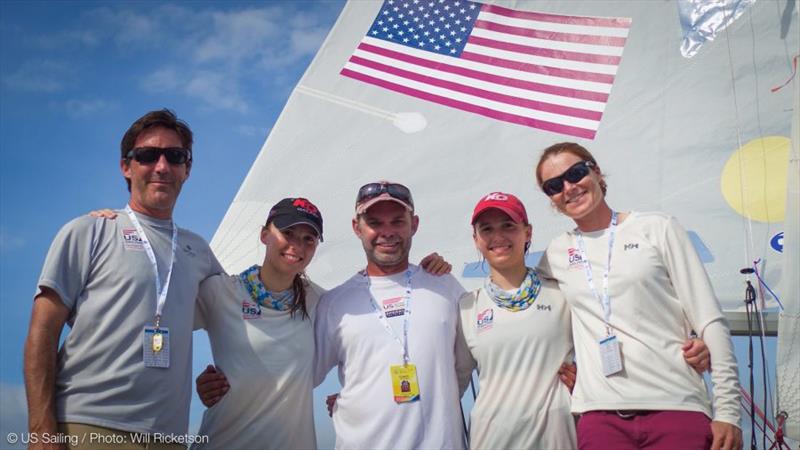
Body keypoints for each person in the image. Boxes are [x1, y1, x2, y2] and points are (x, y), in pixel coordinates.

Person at [24, 109, 223, 449]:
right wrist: (42, 429)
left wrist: (222, 380)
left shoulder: (199, 251)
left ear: (187, 169)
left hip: (169, 438)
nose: (162, 166)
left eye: (175, 156)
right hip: (87, 428)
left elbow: (248, 310)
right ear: (126, 167)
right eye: (147, 155)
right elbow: (42, 332)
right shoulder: (89, 230)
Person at [455, 192, 713, 450]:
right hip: (491, 439)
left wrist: (693, 342)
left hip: (558, 437)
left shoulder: (564, 291)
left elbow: (628, 317)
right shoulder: (466, 307)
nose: (498, 236)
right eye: (486, 229)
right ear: (476, 240)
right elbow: (452, 383)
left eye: (508, 226)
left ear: (528, 232)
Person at [190, 196, 451, 450]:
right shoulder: (219, 292)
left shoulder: (322, 303)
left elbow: (374, 348)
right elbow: (165, 328)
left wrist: (354, 403)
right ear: (264, 234)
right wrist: (198, 382)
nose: (297, 246)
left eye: (308, 239)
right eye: (288, 233)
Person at [535, 142, 742, 450]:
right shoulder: (555, 254)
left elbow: (709, 319)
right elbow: (523, 307)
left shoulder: (658, 228)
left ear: (595, 171)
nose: (569, 187)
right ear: (552, 199)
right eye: (554, 185)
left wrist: (728, 411)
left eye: (576, 173)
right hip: (600, 416)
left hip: (677, 406)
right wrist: (437, 270)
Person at [312, 181, 468, 449]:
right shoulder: (334, 303)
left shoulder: (445, 285)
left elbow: (487, 347)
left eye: (397, 222)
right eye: (375, 222)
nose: (387, 232)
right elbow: (300, 375)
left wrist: (557, 373)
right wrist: (229, 381)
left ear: (414, 224)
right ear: (357, 227)